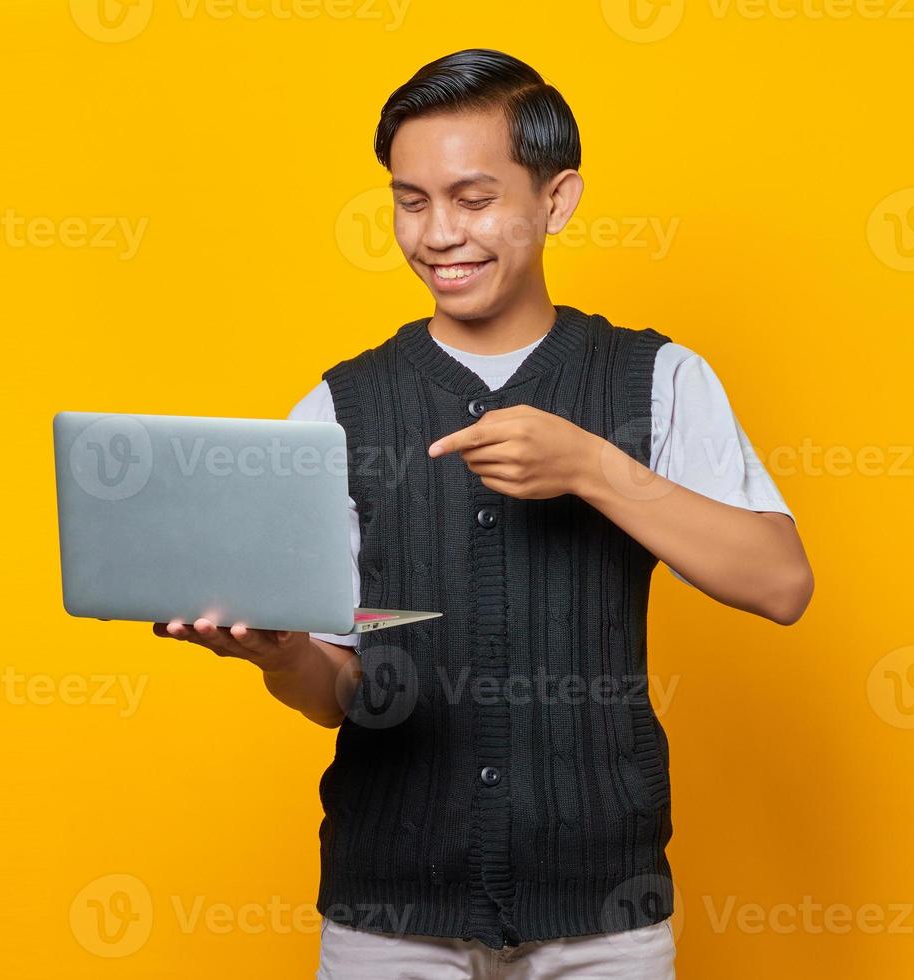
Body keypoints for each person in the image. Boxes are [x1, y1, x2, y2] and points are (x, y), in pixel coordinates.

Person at [154, 48, 814, 979]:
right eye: (410, 200)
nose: (437, 235)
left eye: (472, 199)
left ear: (556, 200)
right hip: (387, 915)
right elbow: (335, 692)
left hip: (604, 915)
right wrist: (283, 655)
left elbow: (781, 582)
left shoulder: (658, 378)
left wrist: (591, 466)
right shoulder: (337, 408)